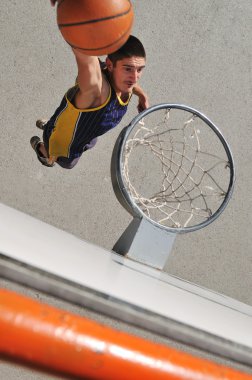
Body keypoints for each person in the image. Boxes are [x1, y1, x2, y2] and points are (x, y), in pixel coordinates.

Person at [30, 0, 149, 169]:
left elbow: (131, 86)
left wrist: (142, 95)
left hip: (89, 131)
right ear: (109, 64)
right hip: (64, 143)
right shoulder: (96, 90)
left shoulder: (123, 80)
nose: (135, 77)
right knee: (67, 162)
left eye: (140, 70)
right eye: (129, 69)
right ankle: (41, 148)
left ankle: (53, 123)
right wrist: (78, 12)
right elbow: (84, 55)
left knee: (90, 142)